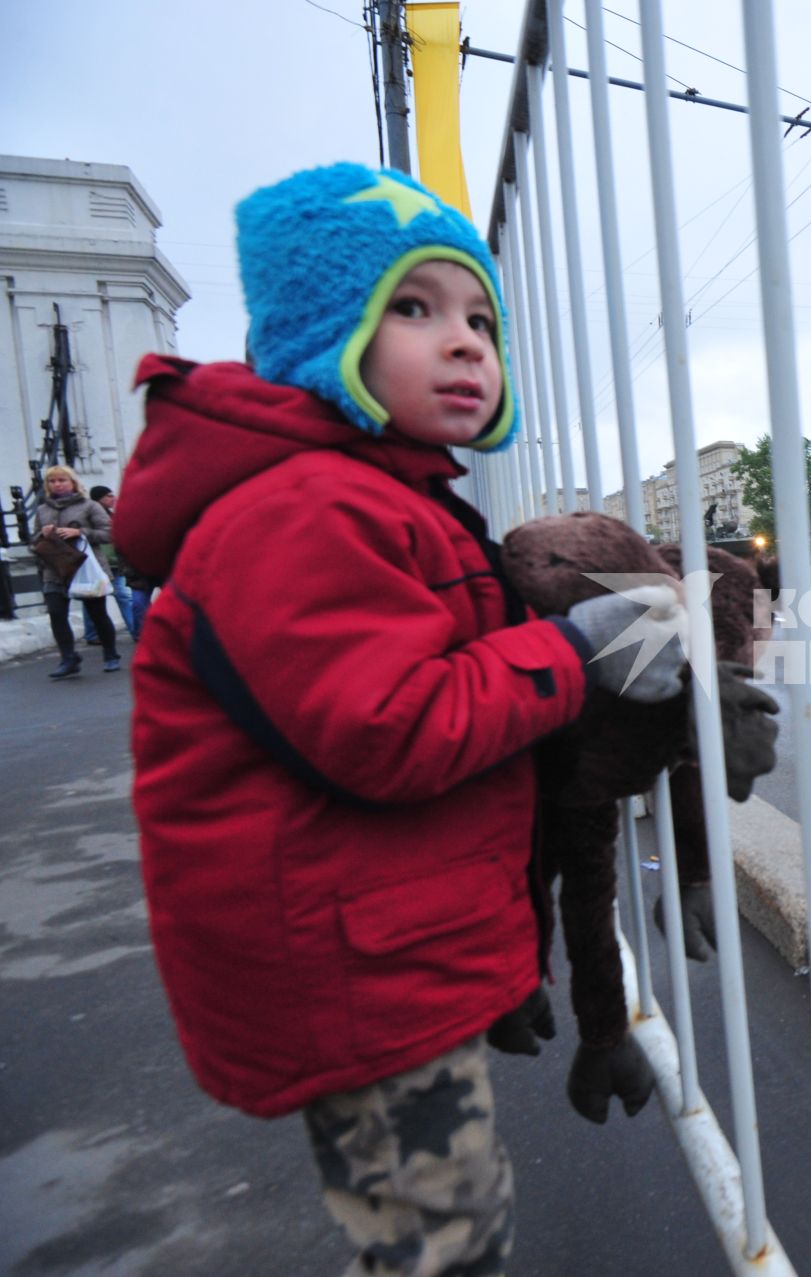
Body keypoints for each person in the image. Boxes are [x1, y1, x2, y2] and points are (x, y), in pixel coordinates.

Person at [113, 164, 695, 1277]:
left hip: (370, 940)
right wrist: (576, 648)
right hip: (347, 969)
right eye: (413, 309)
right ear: (325, 335)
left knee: (440, 1219)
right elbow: (386, 726)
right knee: (439, 1238)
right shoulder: (304, 507)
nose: (468, 342)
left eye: (480, 317)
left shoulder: (374, 493)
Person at [33, 465, 119, 678]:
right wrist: (42, 535)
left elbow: (109, 533)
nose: (57, 484)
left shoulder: (89, 506)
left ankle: (110, 654)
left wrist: (79, 532)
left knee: (97, 613)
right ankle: (69, 658)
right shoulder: (43, 510)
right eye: (52, 481)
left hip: (86, 567)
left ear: (72, 483)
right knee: (56, 613)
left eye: (62, 480)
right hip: (55, 570)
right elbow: (32, 541)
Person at [82, 485, 138, 643]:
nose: (113, 499)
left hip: (115, 562)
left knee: (101, 596)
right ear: (98, 499)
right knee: (105, 597)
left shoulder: (111, 516)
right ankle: (135, 630)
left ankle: (93, 633)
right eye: (108, 496)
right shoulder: (93, 517)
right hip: (103, 563)